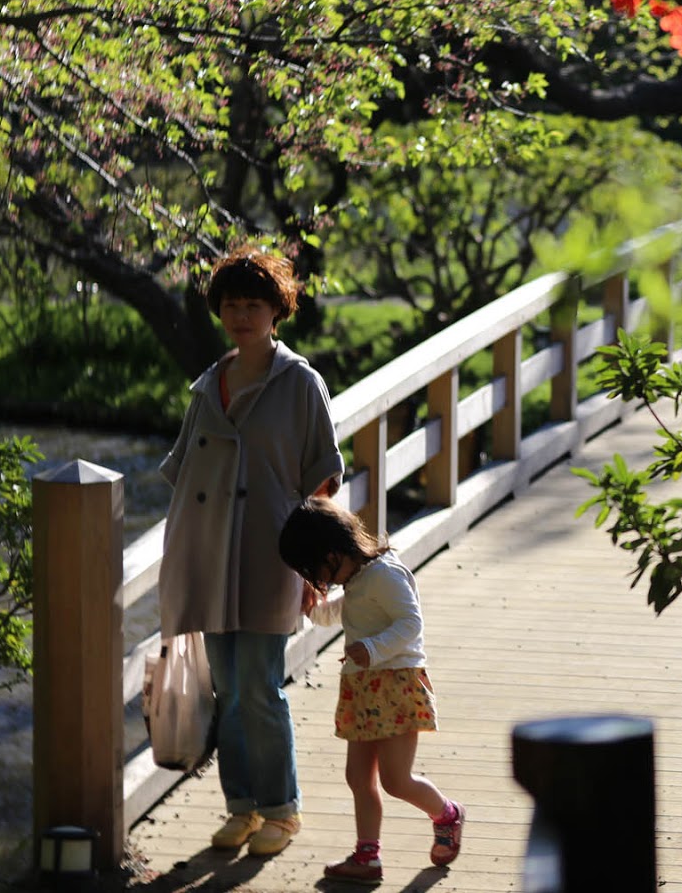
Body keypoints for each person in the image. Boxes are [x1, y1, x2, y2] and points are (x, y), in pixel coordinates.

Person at [158, 246, 344, 856]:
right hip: (210, 557)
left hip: (274, 556)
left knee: (261, 686)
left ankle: (281, 811)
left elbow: (323, 481)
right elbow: (181, 474)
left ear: (276, 310)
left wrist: (317, 567)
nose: (241, 315)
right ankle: (240, 807)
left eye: (253, 304)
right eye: (231, 304)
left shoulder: (301, 384)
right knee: (227, 690)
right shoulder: (207, 386)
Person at [279, 496, 465, 882]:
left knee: (396, 780)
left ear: (332, 554)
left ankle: (447, 813)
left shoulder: (384, 574)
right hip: (363, 688)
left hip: (396, 685)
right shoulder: (357, 578)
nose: (320, 580)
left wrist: (372, 648)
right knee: (358, 778)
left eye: (316, 571)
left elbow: (410, 623)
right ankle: (368, 857)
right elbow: (344, 612)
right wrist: (313, 609)